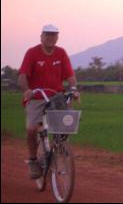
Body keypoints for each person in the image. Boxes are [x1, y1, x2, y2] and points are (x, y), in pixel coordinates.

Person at [18, 24, 80, 179]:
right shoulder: (32, 53)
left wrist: (73, 89)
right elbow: (22, 76)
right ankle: (33, 160)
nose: (51, 38)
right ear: (41, 37)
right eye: (48, 35)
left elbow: (70, 76)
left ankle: (59, 148)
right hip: (36, 97)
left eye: (54, 35)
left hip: (56, 96)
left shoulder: (61, 53)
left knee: (67, 122)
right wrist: (27, 90)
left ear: (57, 37)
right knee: (32, 129)